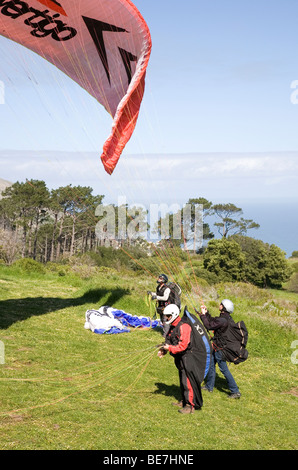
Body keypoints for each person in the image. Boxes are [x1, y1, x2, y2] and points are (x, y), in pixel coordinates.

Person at [158, 304, 203, 414]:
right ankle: (184, 401)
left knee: (188, 382)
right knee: (183, 381)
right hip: (180, 358)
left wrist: (170, 348)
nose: (167, 318)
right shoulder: (174, 326)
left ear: (173, 315)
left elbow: (183, 346)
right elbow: (169, 339)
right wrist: (164, 349)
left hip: (188, 358)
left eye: (168, 316)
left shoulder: (184, 326)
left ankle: (189, 406)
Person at [199, 299, 241, 398]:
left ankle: (235, 391)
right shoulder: (225, 318)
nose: (219, 305)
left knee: (224, 369)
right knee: (211, 364)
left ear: (224, 307)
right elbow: (213, 321)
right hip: (219, 347)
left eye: (221, 304)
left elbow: (209, 326)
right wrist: (206, 313)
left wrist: (203, 316)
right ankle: (209, 386)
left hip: (221, 349)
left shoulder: (223, 320)